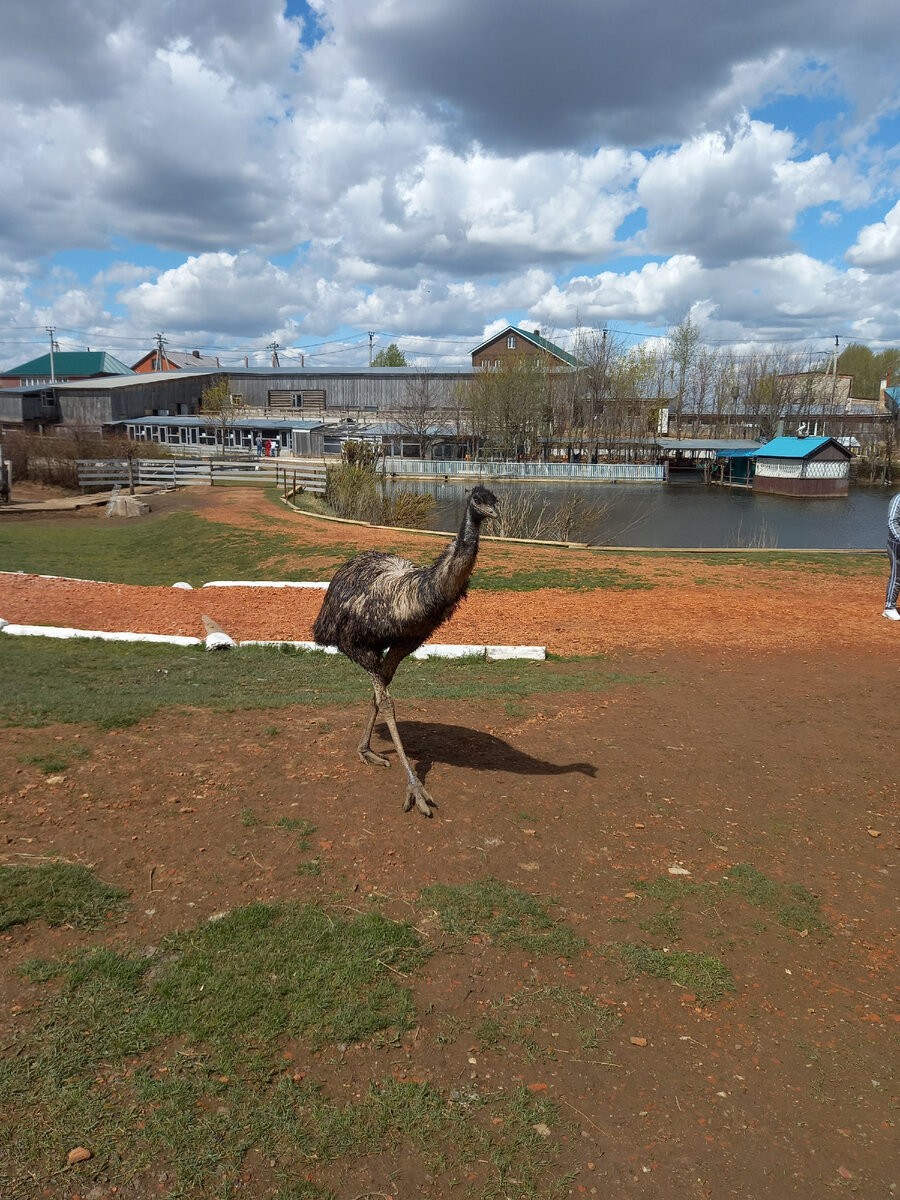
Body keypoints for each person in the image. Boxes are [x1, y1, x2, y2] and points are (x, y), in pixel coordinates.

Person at [884, 490, 900, 620]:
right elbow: (892, 523)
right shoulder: (898, 500)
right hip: (896, 544)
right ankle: (889, 607)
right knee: (897, 575)